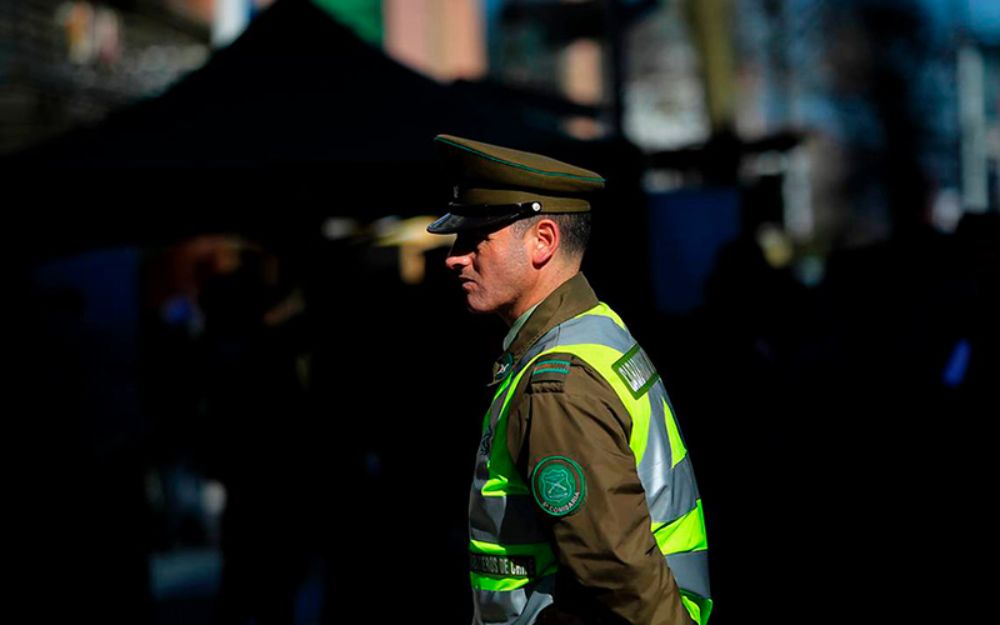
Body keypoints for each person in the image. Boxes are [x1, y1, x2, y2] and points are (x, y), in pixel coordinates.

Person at [427, 135, 712, 625]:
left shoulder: (557, 383)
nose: (456, 257)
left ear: (543, 241)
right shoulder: (597, 328)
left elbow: (617, 571)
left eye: (478, 238)